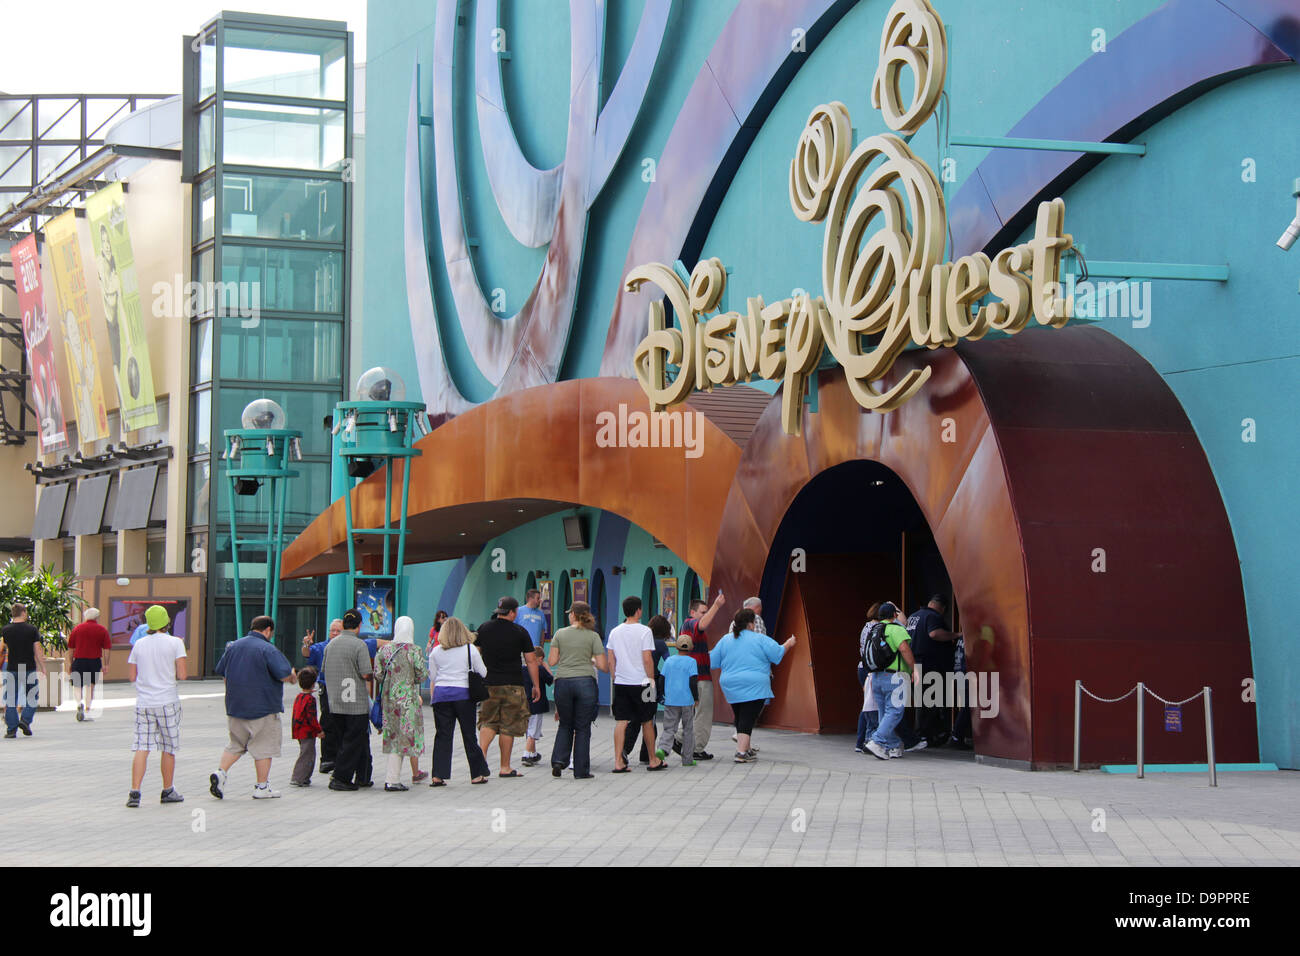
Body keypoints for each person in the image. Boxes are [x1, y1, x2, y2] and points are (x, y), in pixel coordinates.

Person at [210, 615, 297, 799]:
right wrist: (293, 676)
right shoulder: (267, 648)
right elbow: (283, 674)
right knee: (264, 747)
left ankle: (221, 773)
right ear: (267, 630)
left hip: (236, 706)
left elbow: (223, 673)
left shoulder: (233, 646)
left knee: (235, 744)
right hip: (262, 707)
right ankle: (262, 787)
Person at [710, 607, 794, 762]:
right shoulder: (759, 639)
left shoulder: (726, 639)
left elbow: (713, 661)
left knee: (741, 715)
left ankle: (746, 749)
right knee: (748, 717)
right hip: (755, 684)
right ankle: (741, 752)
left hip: (730, 684)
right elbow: (777, 654)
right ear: (751, 624)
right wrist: (789, 643)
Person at [125, 605, 188, 807]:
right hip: (167, 701)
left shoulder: (139, 645)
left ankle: (135, 792)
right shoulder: (175, 643)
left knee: (142, 747)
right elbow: (183, 675)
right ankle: (167, 790)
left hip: (144, 702)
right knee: (168, 748)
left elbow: (132, 676)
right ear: (166, 622)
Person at [475, 597, 540, 777]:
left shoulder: (484, 628)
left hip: (489, 684)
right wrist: (536, 685)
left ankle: (481, 761)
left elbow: (475, 654)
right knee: (508, 726)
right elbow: (531, 660)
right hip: (514, 685)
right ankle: (505, 767)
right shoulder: (520, 631)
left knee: (488, 721)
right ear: (512, 612)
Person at [427, 616, 491, 785]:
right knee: (469, 735)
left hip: (441, 696)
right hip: (464, 696)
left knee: (443, 735)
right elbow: (483, 672)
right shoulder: (470, 650)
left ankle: (438, 776)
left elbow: (432, 676)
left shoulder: (436, 652)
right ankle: (477, 775)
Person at [547, 602, 607, 778]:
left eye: (569, 613)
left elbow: (552, 661)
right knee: (582, 727)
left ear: (573, 614)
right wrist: (591, 660)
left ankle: (558, 761)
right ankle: (581, 770)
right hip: (585, 683)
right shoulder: (593, 636)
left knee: (565, 723)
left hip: (563, 682)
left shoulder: (560, 633)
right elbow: (603, 666)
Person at [607, 596, 666, 772]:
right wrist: (651, 680)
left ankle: (618, 761)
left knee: (621, 721)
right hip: (642, 682)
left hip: (621, 682)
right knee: (647, 720)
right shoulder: (645, 631)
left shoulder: (615, 632)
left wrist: (615, 677)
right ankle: (652, 759)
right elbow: (647, 659)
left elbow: (611, 659)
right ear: (638, 611)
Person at [374, 616, 429, 791]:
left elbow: (378, 675)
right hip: (408, 702)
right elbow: (422, 676)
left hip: (389, 700)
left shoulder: (384, 650)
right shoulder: (415, 650)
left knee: (393, 737)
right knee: (404, 739)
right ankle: (392, 779)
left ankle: (393, 777)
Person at [323, 609, 375, 790]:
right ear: (359, 625)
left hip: (335, 701)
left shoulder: (331, 645)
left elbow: (323, 669)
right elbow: (366, 673)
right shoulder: (359, 645)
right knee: (353, 741)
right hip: (355, 703)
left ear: (343, 625)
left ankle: (363, 775)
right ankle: (340, 777)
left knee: (348, 740)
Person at [865, 602, 920, 760]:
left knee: (884, 713)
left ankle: (892, 747)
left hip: (876, 676)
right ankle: (877, 741)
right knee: (895, 712)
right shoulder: (896, 629)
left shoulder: (874, 629)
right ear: (894, 615)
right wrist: (914, 669)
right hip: (894, 676)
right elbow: (904, 649)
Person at [907, 594, 962, 747]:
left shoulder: (913, 616)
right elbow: (934, 634)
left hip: (913, 665)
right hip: (928, 666)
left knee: (922, 702)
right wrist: (956, 635)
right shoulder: (933, 616)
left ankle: (924, 735)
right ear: (942, 608)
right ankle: (924, 736)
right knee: (931, 702)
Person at [676, 591, 725, 760]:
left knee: (695, 713)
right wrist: (716, 606)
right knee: (703, 713)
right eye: (702, 612)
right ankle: (696, 748)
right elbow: (702, 625)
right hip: (700, 678)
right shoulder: (691, 624)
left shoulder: (688, 627)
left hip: (694, 676)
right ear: (692, 613)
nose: (705, 615)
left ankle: (679, 739)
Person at [623, 613, 672, 764]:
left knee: (634, 719)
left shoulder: (641, 639)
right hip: (649, 683)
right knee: (649, 719)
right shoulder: (660, 644)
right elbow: (669, 662)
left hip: (633, 681)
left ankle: (625, 749)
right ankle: (646, 754)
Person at [302, 618, 343, 775]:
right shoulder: (321, 646)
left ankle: (340, 758)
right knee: (327, 722)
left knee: (342, 724)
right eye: (332, 630)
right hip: (327, 689)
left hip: (344, 689)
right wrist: (307, 644)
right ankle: (327, 759)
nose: (334, 633)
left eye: (338, 631)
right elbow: (307, 653)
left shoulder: (348, 646)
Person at [655, 633, 699, 766]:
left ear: (677, 647)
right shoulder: (692, 662)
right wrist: (696, 698)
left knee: (669, 728)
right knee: (688, 730)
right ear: (690, 648)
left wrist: (662, 694)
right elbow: (693, 682)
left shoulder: (669, 661)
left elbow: (662, 679)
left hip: (671, 700)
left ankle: (663, 749)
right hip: (687, 701)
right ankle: (687, 759)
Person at [2, 604, 46, 738]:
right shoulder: (31, 629)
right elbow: (37, 650)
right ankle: (25, 721)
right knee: (32, 697)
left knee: (10, 699)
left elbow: (2, 648)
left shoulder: (6, 630)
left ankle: (11, 730)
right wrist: (42, 666)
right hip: (28, 668)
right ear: (23, 612)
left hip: (12, 668)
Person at [67, 607, 111, 722]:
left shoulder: (77, 629)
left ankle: (78, 703)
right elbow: (106, 649)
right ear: (97, 617)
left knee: (77, 685)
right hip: (94, 661)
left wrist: (71, 663)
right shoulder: (102, 630)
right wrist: (106, 664)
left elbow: (71, 648)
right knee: (90, 686)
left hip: (79, 660)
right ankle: (87, 710)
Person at [855, 602, 882, 753]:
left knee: (867, 705)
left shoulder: (866, 626)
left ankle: (860, 741)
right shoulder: (877, 628)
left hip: (862, 667)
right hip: (870, 668)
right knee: (872, 706)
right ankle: (868, 739)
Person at [290, 667, 324, 787]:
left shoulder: (299, 697)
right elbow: (311, 718)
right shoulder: (310, 700)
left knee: (306, 752)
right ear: (313, 683)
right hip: (307, 732)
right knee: (307, 754)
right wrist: (318, 730)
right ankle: (298, 777)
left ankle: (304, 777)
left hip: (299, 730)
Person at [521, 655, 554, 767]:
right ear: (538, 658)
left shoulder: (522, 669)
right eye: (542, 659)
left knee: (529, 728)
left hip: (525, 703)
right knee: (534, 730)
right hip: (537, 703)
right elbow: (551, 679)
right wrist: (546, 666)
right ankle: (526, 754)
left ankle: (533, 753)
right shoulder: (539, 669)